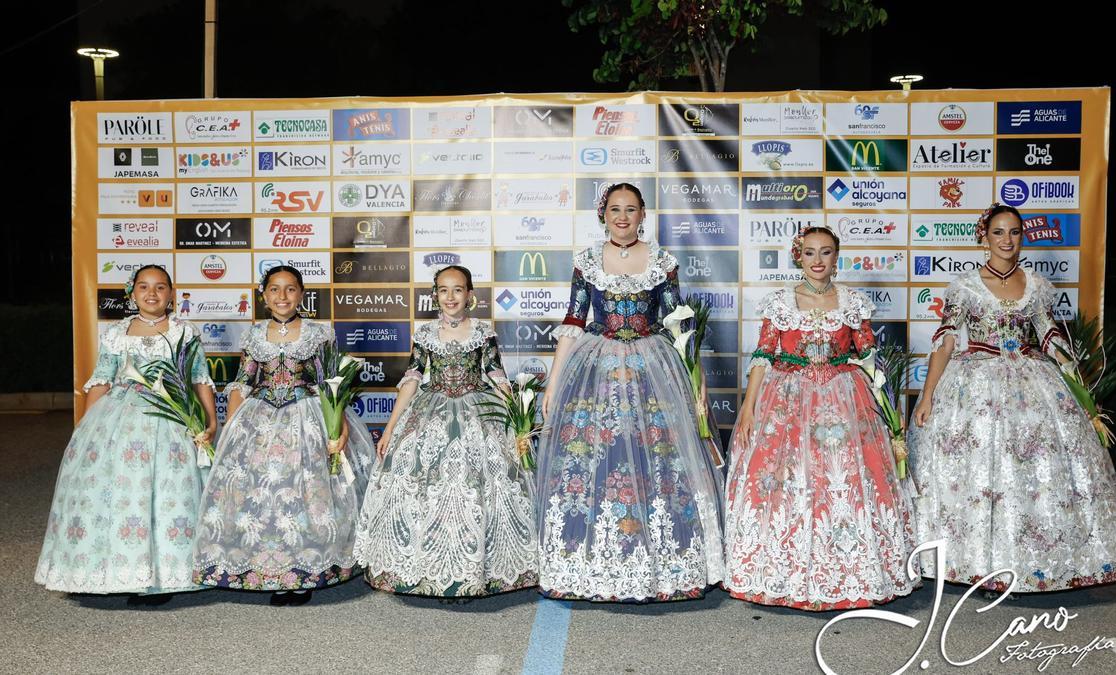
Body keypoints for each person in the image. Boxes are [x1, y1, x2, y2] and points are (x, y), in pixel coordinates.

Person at [908, 203, 1116, 593]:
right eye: (998, 232)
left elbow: (1048, 335)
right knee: (982, 468)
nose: (1007, 240)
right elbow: (947, 340)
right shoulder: (964, 285)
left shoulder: (1035, 284)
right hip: (977, 382)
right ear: (983, 237)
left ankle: (1040, 559)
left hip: (1032, 382)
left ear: (1022, 236)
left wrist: (1079, 387)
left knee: (1037, 469)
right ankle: (974, 560)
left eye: (1014, 232)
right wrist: (928, 395)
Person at [535, 183, 724, 602]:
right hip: (597, 369)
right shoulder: (586, 262)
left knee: (653, 459)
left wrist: (698, 387)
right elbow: (573, 321)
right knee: (599, 457)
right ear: (603, 214)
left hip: (652, 371)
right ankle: (592, 562)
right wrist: (553, 382)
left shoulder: (662, 262)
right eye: (615, 209)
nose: (623, 217)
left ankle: (665, 563)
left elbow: (680, 327)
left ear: (643, 215)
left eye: (631, 210)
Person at [724, 228, 918, 610]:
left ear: (836, 256)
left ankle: (852, 571)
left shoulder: (852, 302)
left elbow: (868, 359)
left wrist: (888, 409)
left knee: (843, 479)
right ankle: (781, 572)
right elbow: (763, 355)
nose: (817, 260)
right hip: (787, 397)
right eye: (810, 253)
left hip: (844, 396)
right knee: (789, 479)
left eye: (826, 253)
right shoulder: (780, 302)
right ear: (799, 257)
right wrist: (748, 406)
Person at [192, 265, 374, 605]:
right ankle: (270, 572)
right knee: (264, 493)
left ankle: (303, 570)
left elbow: (330, 385)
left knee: (307, 491)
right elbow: (244, 381)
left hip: (307, 418)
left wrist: (340, 429)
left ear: (302, 294)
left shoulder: (319, 333)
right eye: (274, 290)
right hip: (260, 419)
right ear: (264, 296)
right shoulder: (255, 334)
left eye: (290, 289)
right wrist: (232, 424)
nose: (282, 297)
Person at [36, 265, 217, 604]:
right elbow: (102, 380)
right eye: (144, 287)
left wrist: (210, 423)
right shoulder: (117, 333)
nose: (152, 293)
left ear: (172, 294)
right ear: (131, 293)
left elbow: (200, 379)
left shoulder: (184, 331)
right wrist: (84, 431)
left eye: (161, 287)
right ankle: (100, 571)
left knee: (167, 494)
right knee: (118, 491)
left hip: (171, 417)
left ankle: (160, 578)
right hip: (119, 415)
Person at [355, 265, 538, 598]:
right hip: (431, 412)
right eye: (443, 289)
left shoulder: (483, 332)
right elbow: (411, 380)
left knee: (480, 485)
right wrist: (390, 428)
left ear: (470, 295)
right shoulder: (425, 334)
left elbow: (497, 377)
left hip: (479, 413)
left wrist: (518, 423)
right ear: (434, 294)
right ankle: (424, 570)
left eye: (457, 289)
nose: (450, 296)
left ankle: (477, 570)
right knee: (421, 483)